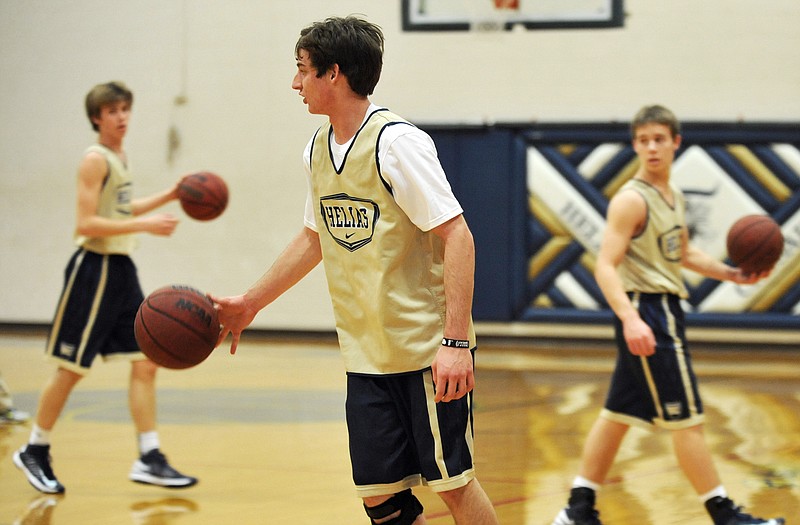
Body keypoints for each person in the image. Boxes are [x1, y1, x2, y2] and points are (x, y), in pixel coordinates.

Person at [211, 16, 498, 525]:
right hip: (365, 354)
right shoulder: (317, 149)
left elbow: (458, 236)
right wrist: (251, 302)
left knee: (453, 487)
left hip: (425, 351)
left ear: (334, 74)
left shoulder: (397, 143)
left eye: (302, 71)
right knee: (378, 496)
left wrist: (455, 343)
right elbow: (313, 237)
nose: (295, 83)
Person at [551, 105, 785, 525]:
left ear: (675, 142)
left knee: (617, 415)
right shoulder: (630, 199)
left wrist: (731, 273)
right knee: (688, 418)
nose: (651, 147)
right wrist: (630, 319)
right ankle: (724, 515)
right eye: (643, 140)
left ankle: (577, 509)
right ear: (635, 145)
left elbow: (683, 252)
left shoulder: (671, 197)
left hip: (662, 309)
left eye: (659, 139)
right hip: (648, 312)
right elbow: (605, 264)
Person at [13, 81, 197, 494]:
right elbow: (86, 223)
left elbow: (119, 208)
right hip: (93, 269)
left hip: (120, 270)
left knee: (146, 361)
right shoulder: (94, 160)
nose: (122, 117)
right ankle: (35, 449)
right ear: (97, 117)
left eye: (126, 109)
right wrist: (146, 226)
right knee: (72, 368)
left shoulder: (118, 157)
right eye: (113, 111)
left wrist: (169, 195)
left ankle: (149, 456)